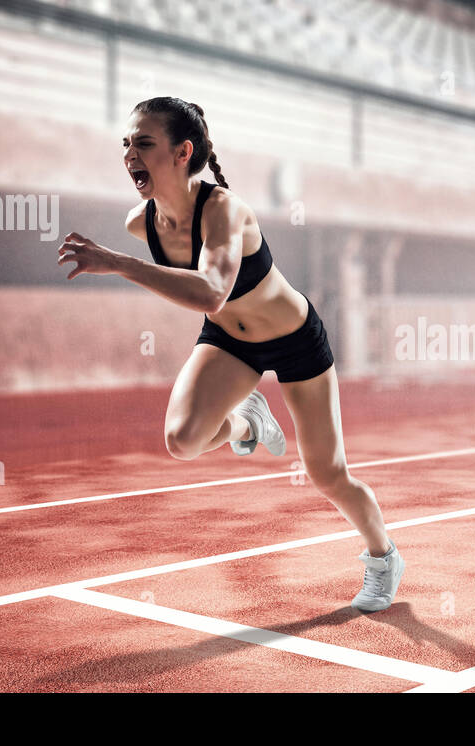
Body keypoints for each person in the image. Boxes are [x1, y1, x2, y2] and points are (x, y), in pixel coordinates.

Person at [56, 97, 403, 611]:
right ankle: (248, 421)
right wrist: (124, 260)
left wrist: (120, 265)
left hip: (295, 340)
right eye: (126, 142)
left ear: (182, 152)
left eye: (144, 142)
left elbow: (212, 291)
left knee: (328, 475)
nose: (130, 152)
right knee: (182, 438)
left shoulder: (224, 210)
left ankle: (383, 557)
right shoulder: (141, 223)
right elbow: (214, 308)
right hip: (230, 341)